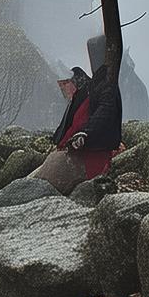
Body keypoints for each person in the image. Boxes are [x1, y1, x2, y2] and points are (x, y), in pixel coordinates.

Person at [31, 37, 124, 192]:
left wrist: (84, 134)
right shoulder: (91, 90)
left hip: (90, 154)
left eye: (64, 84)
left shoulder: (99, 90)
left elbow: (99, 115)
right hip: (83, 150)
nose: (62, 89)